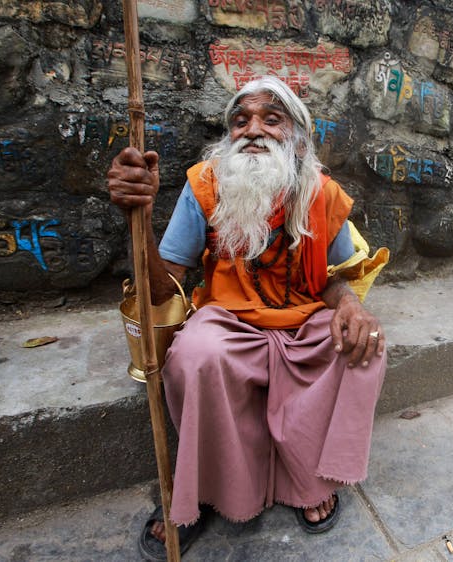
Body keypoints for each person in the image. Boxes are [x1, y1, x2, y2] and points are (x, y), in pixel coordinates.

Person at [107, 76, 386, 559]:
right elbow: (162, 287)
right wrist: (141, 216)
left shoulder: (321, 193)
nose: (252, 130)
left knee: (365, 345)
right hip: (227, 318)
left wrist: (352, 306)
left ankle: (311, 481)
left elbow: (333, 278)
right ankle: (206, 493)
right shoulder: (205, 185)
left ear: (297, 137)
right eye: (240, 121)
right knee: (195, 354)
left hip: (301, 318)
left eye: (270, 119)